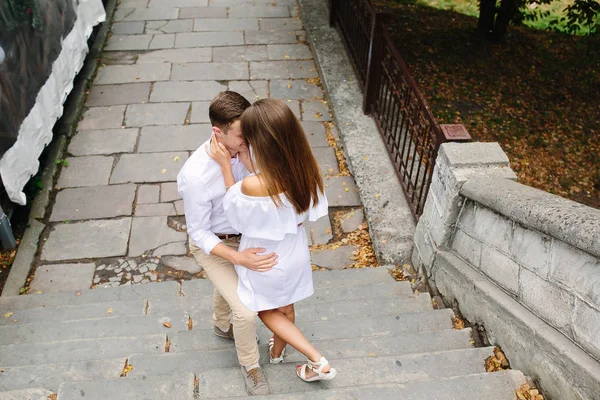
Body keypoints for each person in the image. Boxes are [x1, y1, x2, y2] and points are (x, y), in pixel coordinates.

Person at [208, 98, 338, 382]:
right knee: (286, 306)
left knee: (266, 309)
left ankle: (318, 361)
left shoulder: (254, 184)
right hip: (295, 251)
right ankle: (277, 354)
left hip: (265, 257)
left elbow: (236, 216)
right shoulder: (305, 169)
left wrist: (229, 170)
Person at [177, 91, 278, 395]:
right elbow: (199, 233)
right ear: (217, 133)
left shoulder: (246, 146)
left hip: (246, 235)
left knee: (234, 293)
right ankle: (251, 366)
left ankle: (222, 326)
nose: (247, 140)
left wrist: (247, 161)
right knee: (246, 310)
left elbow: (269, 184)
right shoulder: (194, 177)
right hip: (215, 245)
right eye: (240, 136)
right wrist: (238, 259)